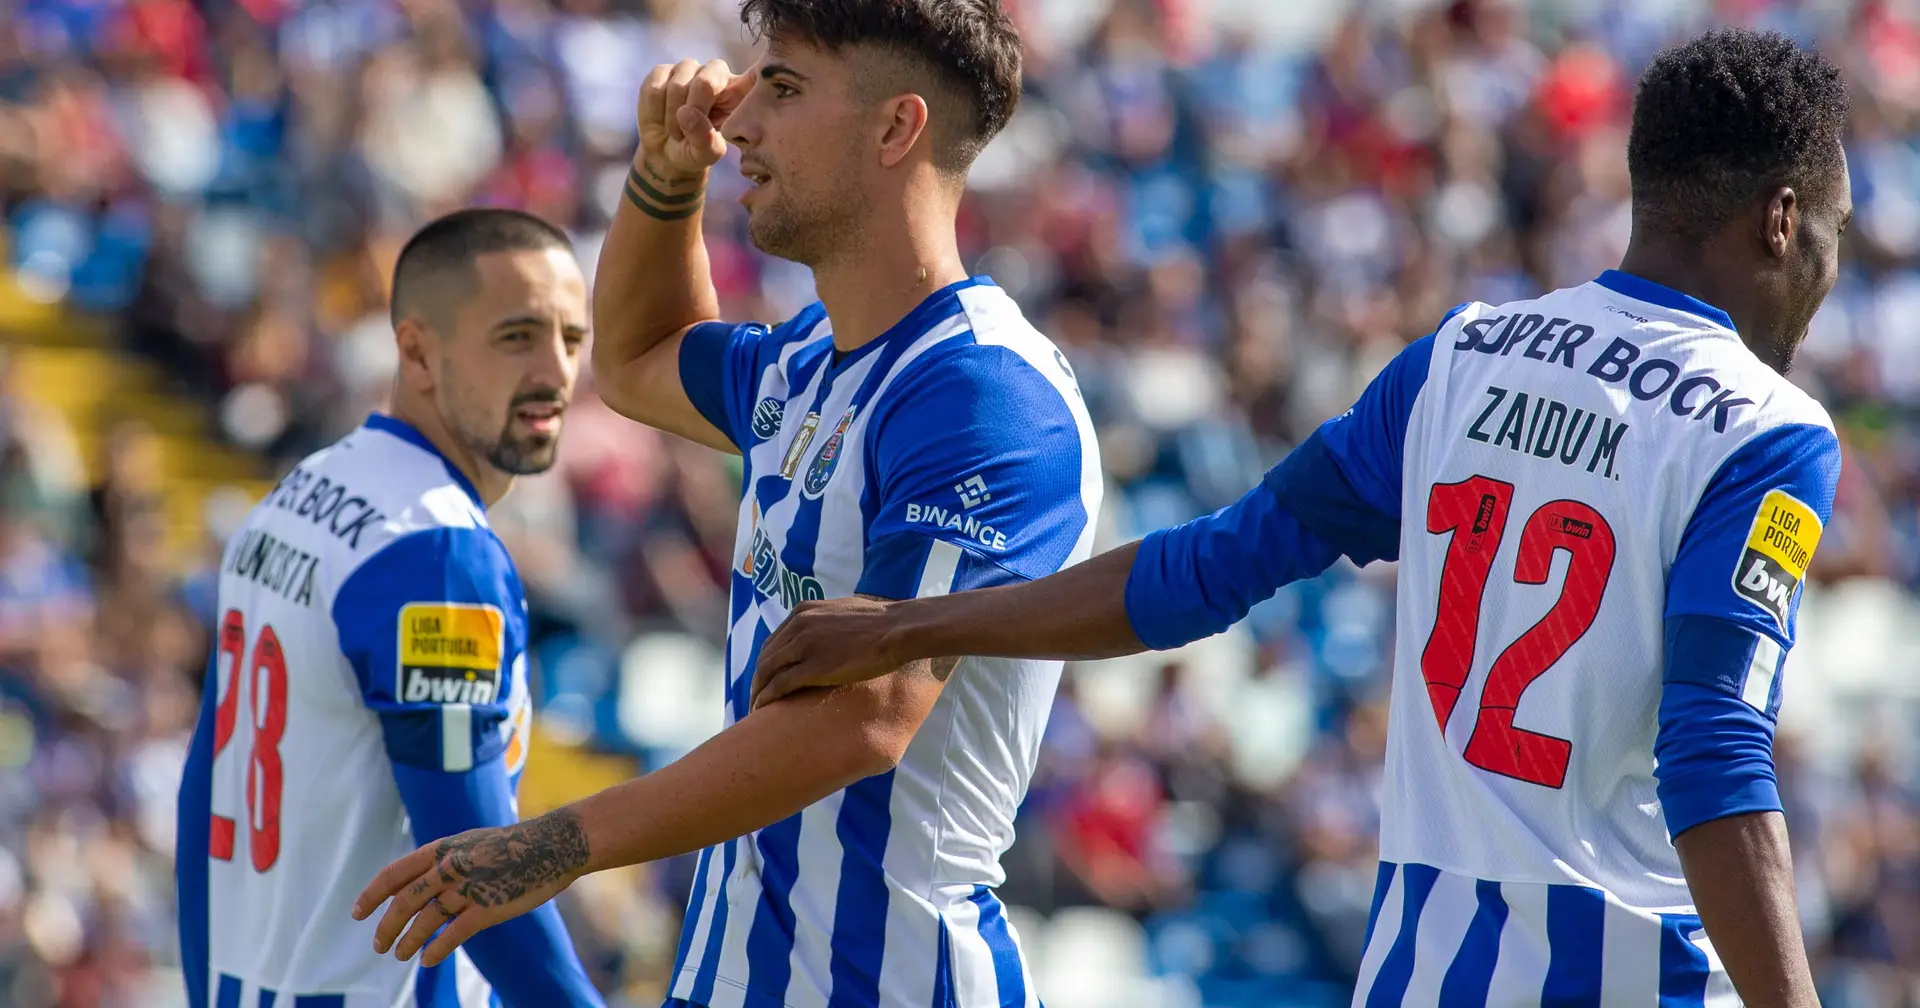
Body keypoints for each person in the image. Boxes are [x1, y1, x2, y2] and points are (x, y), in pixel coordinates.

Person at [751, 28, 1850, 1008]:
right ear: (1782, 220)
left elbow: (1204, 571)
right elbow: (1714, 748)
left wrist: (917, 625)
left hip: (1417, 974)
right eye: (1833, 233)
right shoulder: (1769, 433)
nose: (1831, 270)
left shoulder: (1462, 359)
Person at [353, 3, 1100, 1007]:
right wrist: (666, 177)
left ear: (896, 130)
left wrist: (561, 842)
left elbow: (866, 720)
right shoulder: (804, 361)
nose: (739, 120)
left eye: (783, 87)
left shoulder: (985, 395)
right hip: (729, 973)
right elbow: (633, 358)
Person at [174, 208, 604, 1008]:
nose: (556, 371)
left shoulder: (298, 490)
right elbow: (470, 865)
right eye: (516, 336)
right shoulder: (437, 556)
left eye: (573, 339)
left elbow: (204, 793)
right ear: (416, 350)